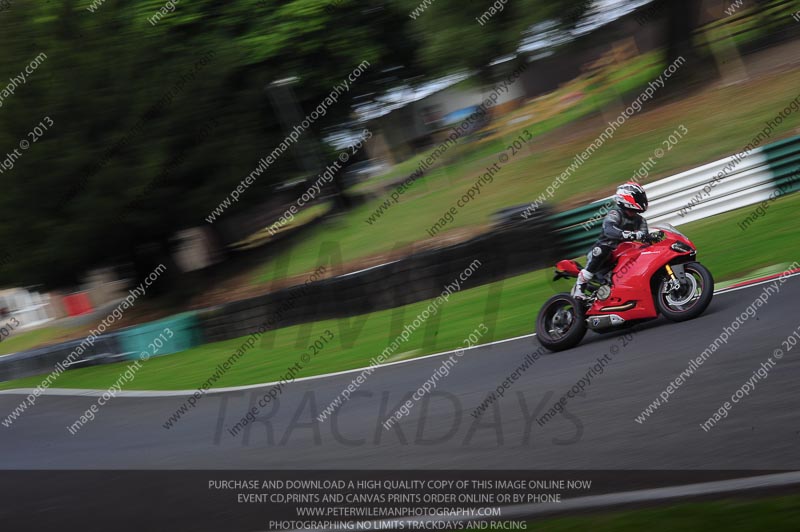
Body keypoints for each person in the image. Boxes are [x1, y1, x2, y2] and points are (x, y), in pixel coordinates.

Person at [572, 182, 649, 299]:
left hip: (625, 253)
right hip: (605, 253)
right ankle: (579, 290)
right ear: (627, 198)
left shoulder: (641, 221)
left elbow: (645, 237)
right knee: (602, 250)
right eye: (639, 197)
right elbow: (609, 229)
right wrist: (628, 235)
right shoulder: (615, 214)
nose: (642, 200)